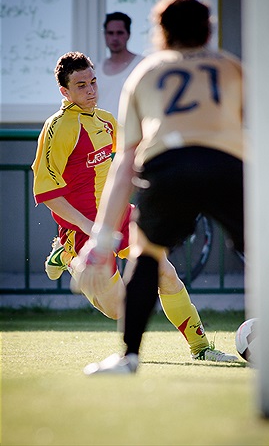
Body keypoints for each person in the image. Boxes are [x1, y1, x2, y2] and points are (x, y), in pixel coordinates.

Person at [73, 0, 269, 376]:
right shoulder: (231, 67)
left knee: (146, 256)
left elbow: (126, 161)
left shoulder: (145, 73)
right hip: (226, 166)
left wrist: (102, 237)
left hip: (167, 166)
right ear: (208, 29)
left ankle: (128, 357)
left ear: (161, 32)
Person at [32, 50, 237, 363]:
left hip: (121, 216)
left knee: (166, 273)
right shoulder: (58, 128)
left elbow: (128, 165)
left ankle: (202, 348)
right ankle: (68, 255)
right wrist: (90, 228)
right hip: (83, 226)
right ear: (65, 91)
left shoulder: (107, 121)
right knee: (117, 309)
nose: (90, 90)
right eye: (81, 85)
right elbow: (47, 192)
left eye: (93, 82)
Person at [94, 12, 144, 118]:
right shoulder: (94, 70)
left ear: (128, 34)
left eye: (120, 33)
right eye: (110, 33)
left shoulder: (142, 65)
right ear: (105, 35)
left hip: (133, 132)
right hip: (103, 132)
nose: (115, 38)